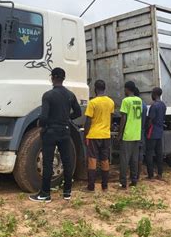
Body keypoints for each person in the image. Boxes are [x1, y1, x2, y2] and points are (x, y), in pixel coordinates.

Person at [30, 67, 81, 202]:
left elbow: (44, 117)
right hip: (65, 131)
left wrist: (41, 125)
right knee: (67, 161)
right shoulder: (70, 95)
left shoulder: (48, 95)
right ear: (63, 78)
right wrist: (67, 117)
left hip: (51, 132)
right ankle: (67, 193)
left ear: (52, 78)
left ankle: (45, 194)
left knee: (47, 163)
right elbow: (78, 113)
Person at [84, 79, 115, 191]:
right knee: (105, 159)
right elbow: (110, 119)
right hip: (106, 135)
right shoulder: (111, 102)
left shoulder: (92, 103)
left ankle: (91, 186)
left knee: (92, 159)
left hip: (93, 135)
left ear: (95, 89)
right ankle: (105, 185)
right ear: (104, 88)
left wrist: (85, 134)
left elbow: (88, 120)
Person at [116, 81, 143, 189]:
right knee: (134, 159)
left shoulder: (126, 101)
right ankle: (134, 180)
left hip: (128, 134)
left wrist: (119, 133)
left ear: (127, 89)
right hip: (137, 133)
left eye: (125, 89)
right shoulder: (139, 100)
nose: (124, 91)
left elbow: (123, 118)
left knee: (124, 160)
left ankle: (123, 182)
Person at [145, 87, 167, 179]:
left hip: (152, 131)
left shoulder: (154, 106)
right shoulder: (163, 105)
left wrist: (146, 128)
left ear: (154, 94)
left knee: (149, 153)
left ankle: (150, 175)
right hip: (160, 131)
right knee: (159, 153)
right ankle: (160, 173)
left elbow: (150, 119)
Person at [134, 87, 147, 181]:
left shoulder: (132, 103)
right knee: (140, 155)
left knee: (133, 155)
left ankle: (134, 175)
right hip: (141, 131)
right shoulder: (144, 105)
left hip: (133, 131)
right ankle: (137, 175)